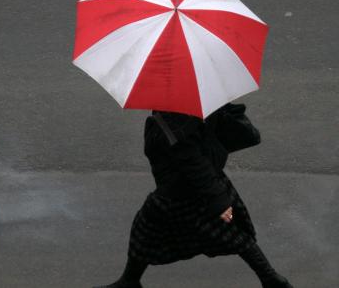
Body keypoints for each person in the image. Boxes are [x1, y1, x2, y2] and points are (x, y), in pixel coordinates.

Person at [94, 103, 293, 288]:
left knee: (147, 229)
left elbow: (193, 162)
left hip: (183, 191)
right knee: (230, 233)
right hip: (200, 185)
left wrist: (220, 201)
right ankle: (271, 279)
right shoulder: (199, 102)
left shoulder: (175, 119)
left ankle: (129, 281)